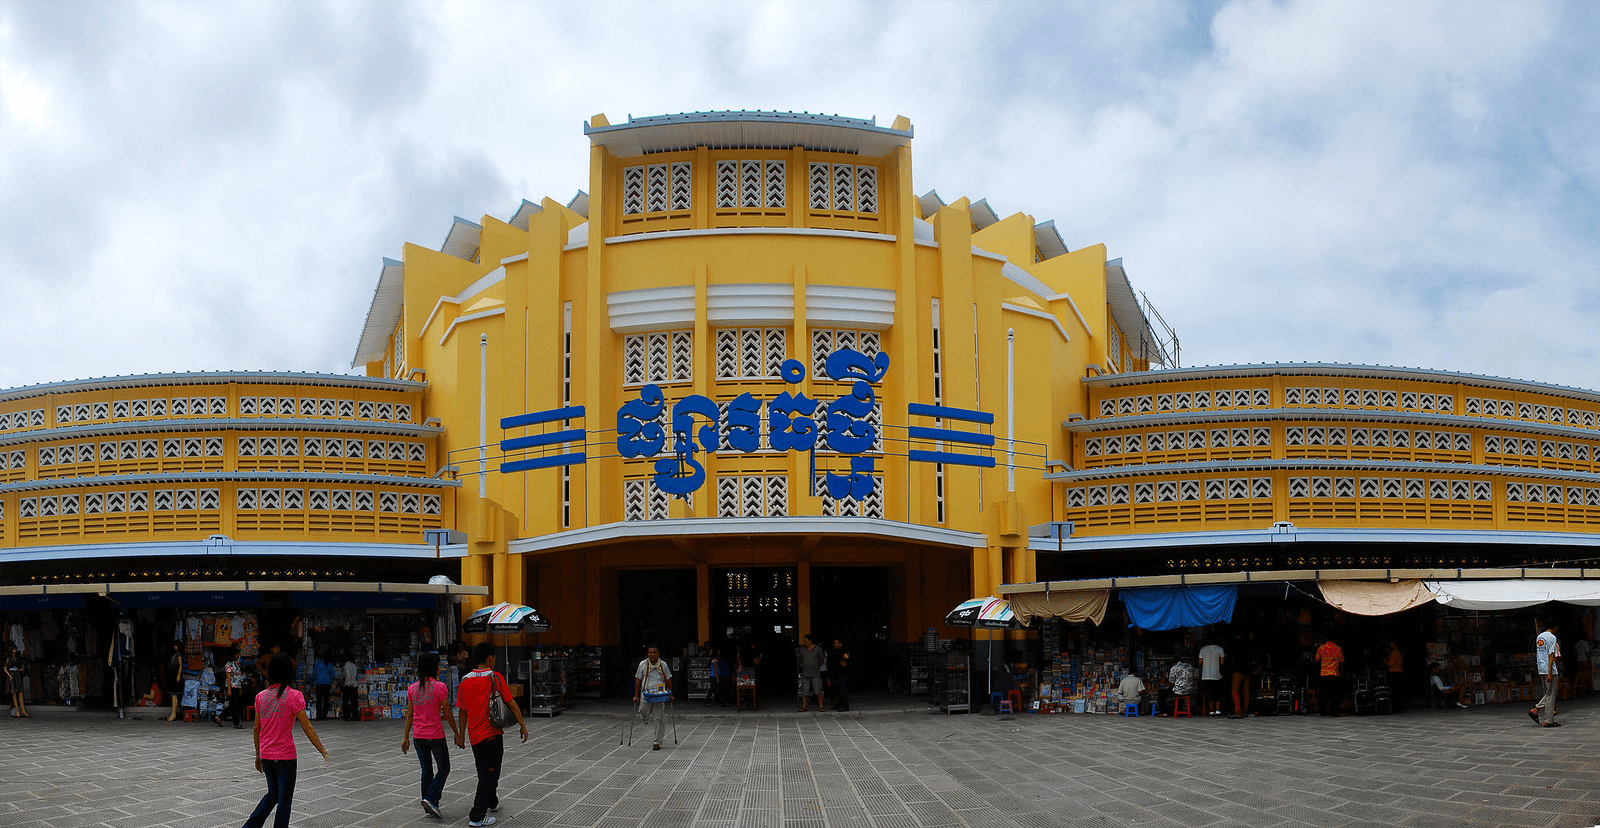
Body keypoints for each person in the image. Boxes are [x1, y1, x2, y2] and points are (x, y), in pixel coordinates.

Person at [242, 653, 329, 828]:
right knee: (284, 801)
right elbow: (307, 727)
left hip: (266, 755)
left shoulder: (261, 697)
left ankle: (250, 827)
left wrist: (258, 754)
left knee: (272, 794)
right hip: (285, 757)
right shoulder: (294, 696)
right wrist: (323, 751)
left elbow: (257, 728)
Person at [457, 642, 527, 826]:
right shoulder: (494, 677)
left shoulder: (464, 680)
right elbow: (510, 703)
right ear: (490, 658)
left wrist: (460, 736)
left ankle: (492, 801)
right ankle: (477, 816)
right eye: (494, 657)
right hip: (492, 735)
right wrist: (522, 725)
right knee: (489, 774)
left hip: (474, 737)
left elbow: (462, 711)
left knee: (485, 772)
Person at [402, 652, 462, 820]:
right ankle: (430, 799)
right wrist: (457, 733)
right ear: (435, 667)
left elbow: (409, 715)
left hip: (418, 736)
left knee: (426, 770)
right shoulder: (440, 687)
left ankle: (429, 805)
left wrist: (405, 737)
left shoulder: (412, 688)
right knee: (444, 768)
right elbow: (448, 713)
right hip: (435, 735)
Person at [632, 645, 674, 749]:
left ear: (658, 654)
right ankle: (645, 717)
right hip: (646, 694)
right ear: (647, 654)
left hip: (659, 695)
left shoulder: (663, 665)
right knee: (642, 709)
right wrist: (636, 695)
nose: (652, 655)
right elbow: (638, 679)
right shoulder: (643, 664)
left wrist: (671, 694)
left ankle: (657, 742)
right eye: (650, 653)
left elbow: (668, 679)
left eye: (654, 653)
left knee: (659, 718)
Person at [1531, 620, 1561, 727]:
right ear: (1555, 627)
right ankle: (1544, 717)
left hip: (1541, 667)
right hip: (1549, 669)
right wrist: (1549, 672)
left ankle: (1542, 715)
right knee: (1551, 695)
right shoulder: (1552, 638)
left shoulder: (1539, 637)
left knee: (1548, 693)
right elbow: (1550, 655)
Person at [1314, 635, 1345, 717]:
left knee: (1323, 695)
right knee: (1334, 695)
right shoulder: (1338, 648)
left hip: (1323, 674)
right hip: (1334, 674)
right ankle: (1334, 712)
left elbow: (1316, 659)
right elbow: (1341, 661)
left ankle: (1323, 712)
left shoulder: (1321, 648)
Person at [1229, 635, 1256, 719]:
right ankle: (1245, 710)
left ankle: (1238, 711)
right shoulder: (1248, 647)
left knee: (1235, 691)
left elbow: (1233, 659)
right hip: (1247, 671)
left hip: (1238, 671)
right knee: (1245, 692)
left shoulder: (1236, 647)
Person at [797, 634, 826, 712]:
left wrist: (816, 666)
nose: (804, 642)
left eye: (805, 640)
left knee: (818, 690)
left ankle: (821, 705)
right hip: (805, 673)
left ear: (810, 641)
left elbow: (822, 660)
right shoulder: (802, 650)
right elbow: (800, 660)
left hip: (815, 673)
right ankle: (804, 706)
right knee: (804, 691)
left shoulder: (818, 649)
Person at [1197, 640, 1226, 716]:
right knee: (1218, 693)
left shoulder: (1203, 649)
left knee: (1209, 693)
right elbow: (1222, 662)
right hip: (1217, 675)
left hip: (1206, 675)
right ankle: (1217, 710)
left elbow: (1200, 662)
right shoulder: (1220, 649)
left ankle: (1211, 710)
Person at [5, 644, 28, 718]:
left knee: (20, 692)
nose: (15, 650)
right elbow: (5, 668)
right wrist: (10, 675)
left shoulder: (17, 658)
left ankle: (23, 710)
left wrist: (20, 670)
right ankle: (17, 710)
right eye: (13, 648)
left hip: (17, 675)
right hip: (13, 675)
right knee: (14, 692)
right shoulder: (9, 659)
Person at [1383, 641, 1406, 713]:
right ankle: (1399, 707)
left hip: (1394, 672)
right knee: (1398, 690)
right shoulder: (1400, 652)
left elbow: (1391, 663)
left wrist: (1384, 660)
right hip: (1399, 671)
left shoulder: (1395, 652)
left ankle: (1395, 707)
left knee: (1394, 691)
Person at [830, 639, 852, 712]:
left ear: (840, 643)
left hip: (843, 673)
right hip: (837, 673)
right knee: (839, 690)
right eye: (834, 643)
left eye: (836, 643)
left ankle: (845, 706)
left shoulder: (844, 651)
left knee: (843, 690)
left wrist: (843, 660)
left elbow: (845, 661)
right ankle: (839, 704)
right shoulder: (836, 651)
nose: (835, 645)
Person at [313, 652, 335, 721]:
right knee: (326, 700)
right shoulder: (330, 664)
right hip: (327, 684)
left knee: (319, 700)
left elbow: (314, 674)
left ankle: (318, 715)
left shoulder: (318, 664)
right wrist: (330, 680)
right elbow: (333, 675)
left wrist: (311, 683)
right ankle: (324, 715)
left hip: (319, 683)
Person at [704, 643, 726, 708]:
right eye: (718, 651)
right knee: (715, 689)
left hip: (713, 676)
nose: (719, 652)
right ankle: (707, 702)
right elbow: (715, 669)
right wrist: (717, 678)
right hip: (714, 677)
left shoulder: (713, 659)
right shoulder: (715, 660)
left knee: (716, 689)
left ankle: (722, 702)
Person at [342, 652, 361, 721]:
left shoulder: (347, 665)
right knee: (354, 702)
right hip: (354, 685)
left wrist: (349, 683)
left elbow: (348, 674)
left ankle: (347, 716)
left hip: (348, 685)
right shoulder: (354, 665)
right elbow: (355, 675)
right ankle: (355, 716)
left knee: (346, 701)